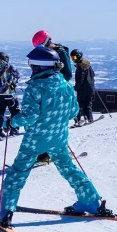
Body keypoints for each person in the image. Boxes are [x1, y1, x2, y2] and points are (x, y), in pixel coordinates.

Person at [0, 46, 112, 228]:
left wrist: (10, 122)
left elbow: (29, 117)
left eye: (32, 65)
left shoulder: (35, 88)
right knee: (68, 168)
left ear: (38, 67)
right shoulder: (66, 85)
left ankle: (4, 211)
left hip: (35, 140)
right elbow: (73, 112)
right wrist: (56, 120)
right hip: (59, 137)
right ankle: (90, 201)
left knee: (17, 173)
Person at [31, 30, 72, 163]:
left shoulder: (60, 52)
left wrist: (56, 77)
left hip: (57, 92)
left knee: (53, 124)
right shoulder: (45, 53)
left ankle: (51, 152)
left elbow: (68, 74)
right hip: (45, 91)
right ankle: (43, 152)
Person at [71, 49, 96, 124]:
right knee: (88, 104)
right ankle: (89, 118)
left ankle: (79, 120)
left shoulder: (80, 67)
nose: (73, 59)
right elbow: (93, 75)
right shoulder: (87, 65)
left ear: (78, 57)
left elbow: (80, 80)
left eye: (74, 57)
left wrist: (74, 88)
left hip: (83, 90)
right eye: (72, 57)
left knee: (79, 105)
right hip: (90, 88)